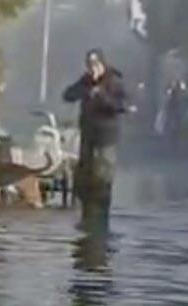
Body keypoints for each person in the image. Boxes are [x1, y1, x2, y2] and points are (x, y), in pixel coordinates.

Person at [63, 48, 128, 224]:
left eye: (95, 65)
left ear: (102, 64)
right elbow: (68, 95)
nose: (92, 69)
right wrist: (84, 91)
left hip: (106, 138)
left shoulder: (114, 81)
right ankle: (86, 214)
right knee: (84, 177)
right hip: (88, 136)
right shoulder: (86, 81)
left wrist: (102, 95)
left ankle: (100, 218)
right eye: (89, 65)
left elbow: (121, 106)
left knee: (102, 178)